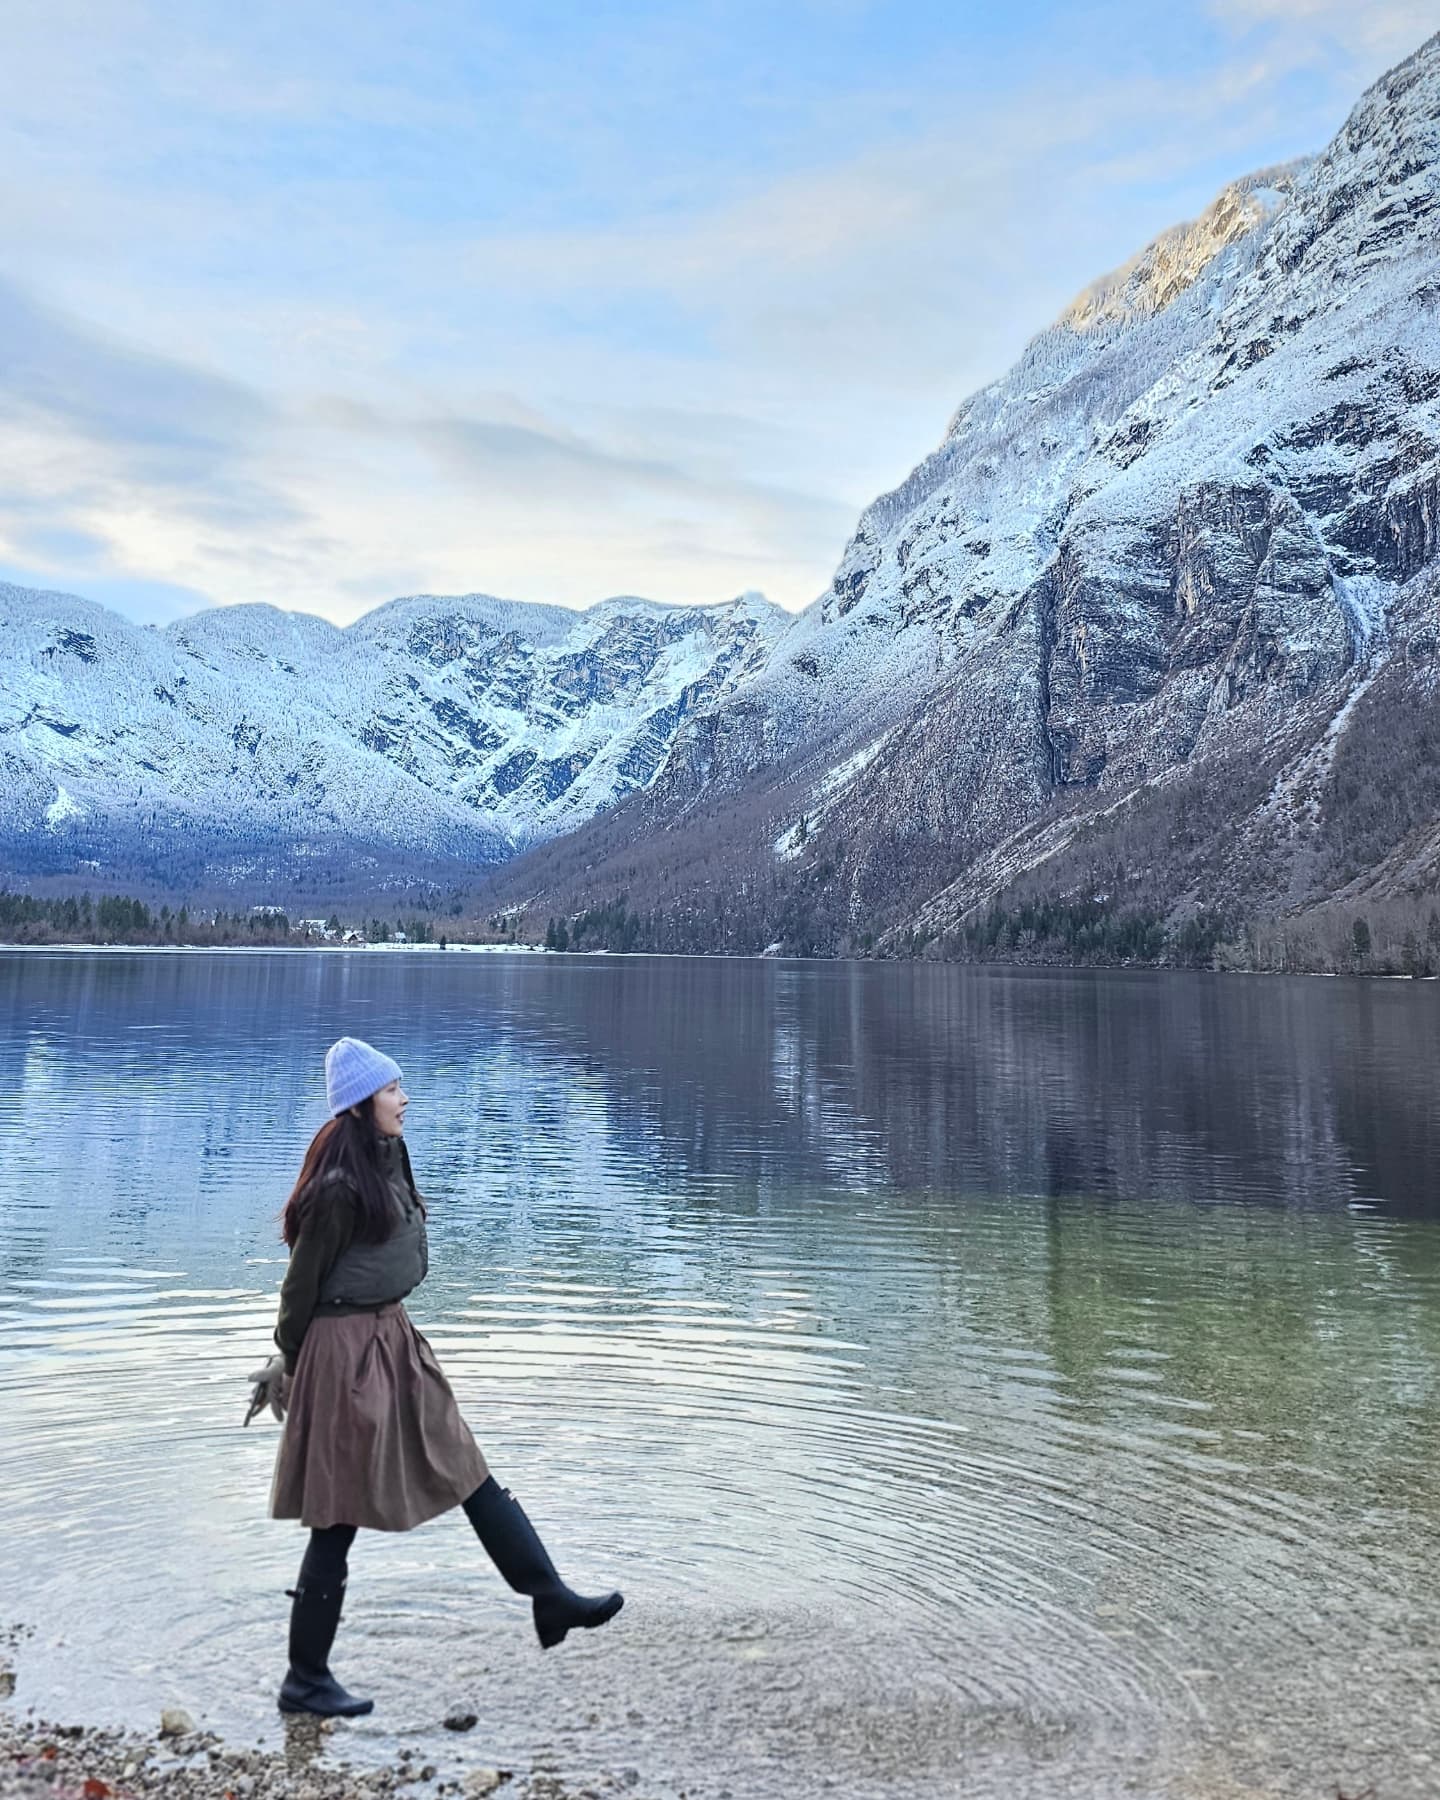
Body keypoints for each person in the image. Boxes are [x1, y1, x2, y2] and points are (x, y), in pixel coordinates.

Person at [251, 1036, 622, 1718]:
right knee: (335, 1521)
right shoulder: (338, 1188)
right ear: (360, 1104)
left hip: (393, 1338)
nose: (404, 1099)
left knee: (466, 1467)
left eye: (399, 1087)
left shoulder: (387, 1160)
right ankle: (305, 1681)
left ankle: (548, 1597)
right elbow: (298, 1293)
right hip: (344, 1355)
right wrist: (292, 1365)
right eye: (392, 1090)